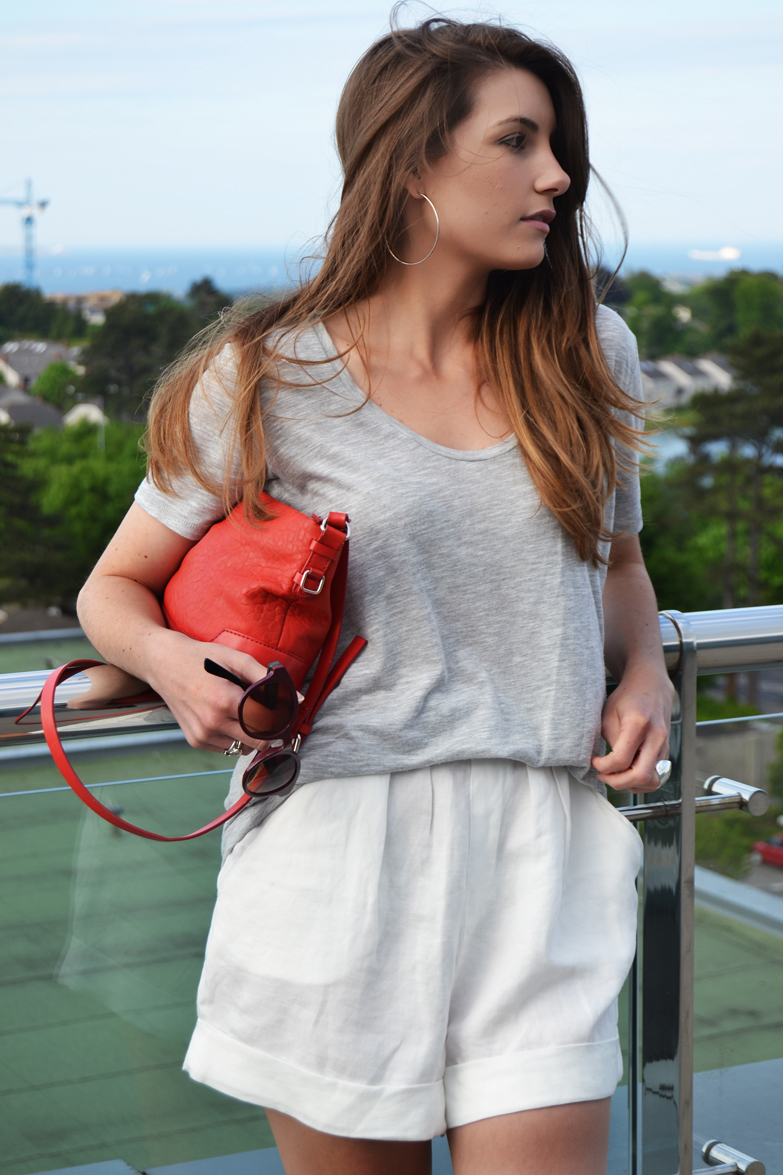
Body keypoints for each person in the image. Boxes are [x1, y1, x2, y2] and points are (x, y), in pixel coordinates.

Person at [77, 16, 673, 1175]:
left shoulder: (589, 351)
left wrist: (644, 670)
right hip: (336, 851)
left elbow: (620, 564)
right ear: (410, 164)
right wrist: (166, 663)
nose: (558, 175)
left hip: (544, 846)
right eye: (518, 140)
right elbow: (113, 587)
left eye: (557, 144)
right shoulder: (264, 373)